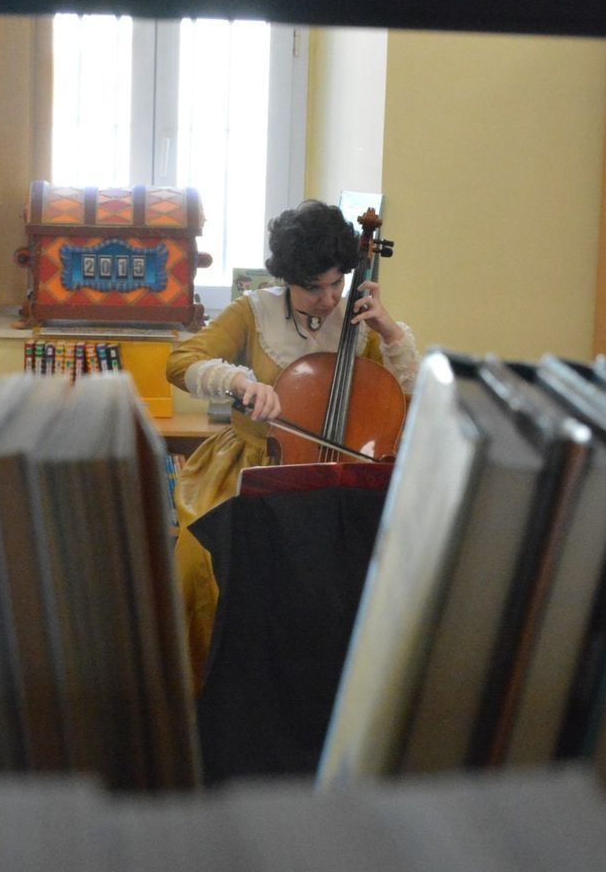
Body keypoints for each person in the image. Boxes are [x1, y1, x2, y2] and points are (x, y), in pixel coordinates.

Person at [165, 200, 421, 690]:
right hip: (251, 465)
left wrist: (389, 332)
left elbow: (405, 396)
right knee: (201, 566)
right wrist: (241, 384)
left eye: (336, 283)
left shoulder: (358, 321)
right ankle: (204, 695)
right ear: (286, 279)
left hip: (333, 479)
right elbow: (182, 361)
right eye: (313, 288)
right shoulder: (253, 312)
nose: (328, 300)